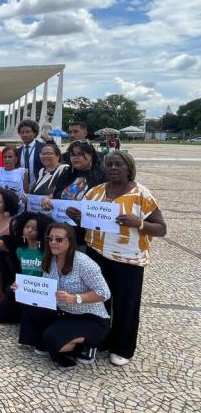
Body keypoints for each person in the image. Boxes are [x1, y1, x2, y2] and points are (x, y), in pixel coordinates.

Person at [71, 151, 167, 366]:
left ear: (128, 168)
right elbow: (87, 222)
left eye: (118, 165)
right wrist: (77, 217)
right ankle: (102, 338)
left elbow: (161, 228)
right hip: (97, 253)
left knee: (126, 304)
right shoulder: (95, 192)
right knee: (99, 300)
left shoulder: (142, 194)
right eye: (109, 165)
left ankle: (122, 347)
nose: (113, 168)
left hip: (128, 259)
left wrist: (139, 223)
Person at [17, 223, 111, 368]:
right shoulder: (50, 259)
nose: (53, 242)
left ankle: (88, 345)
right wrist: (23, 288)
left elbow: (104, 293)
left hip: (90, 316)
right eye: (50, 238)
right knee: (29, 306)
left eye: (59, 239)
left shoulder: (83, 263)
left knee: (52, 337)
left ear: (70, 241)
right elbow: (44, 288)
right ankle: (49, 340)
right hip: (63, 312)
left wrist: (76, 298)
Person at [0, 212, 52, 323]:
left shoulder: (46, 251)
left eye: (34, 229)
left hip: (40, 291)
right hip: (22, 289)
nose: (29, 230)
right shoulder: (19, 249)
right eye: (27, 227)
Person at [17, 119, 44, 187]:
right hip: (22, 188)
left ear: (34, 133)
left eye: (28, 132)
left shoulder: (43, 148)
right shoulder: (17, 151)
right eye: (22, 132)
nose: (24, 135)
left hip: (40, 187)